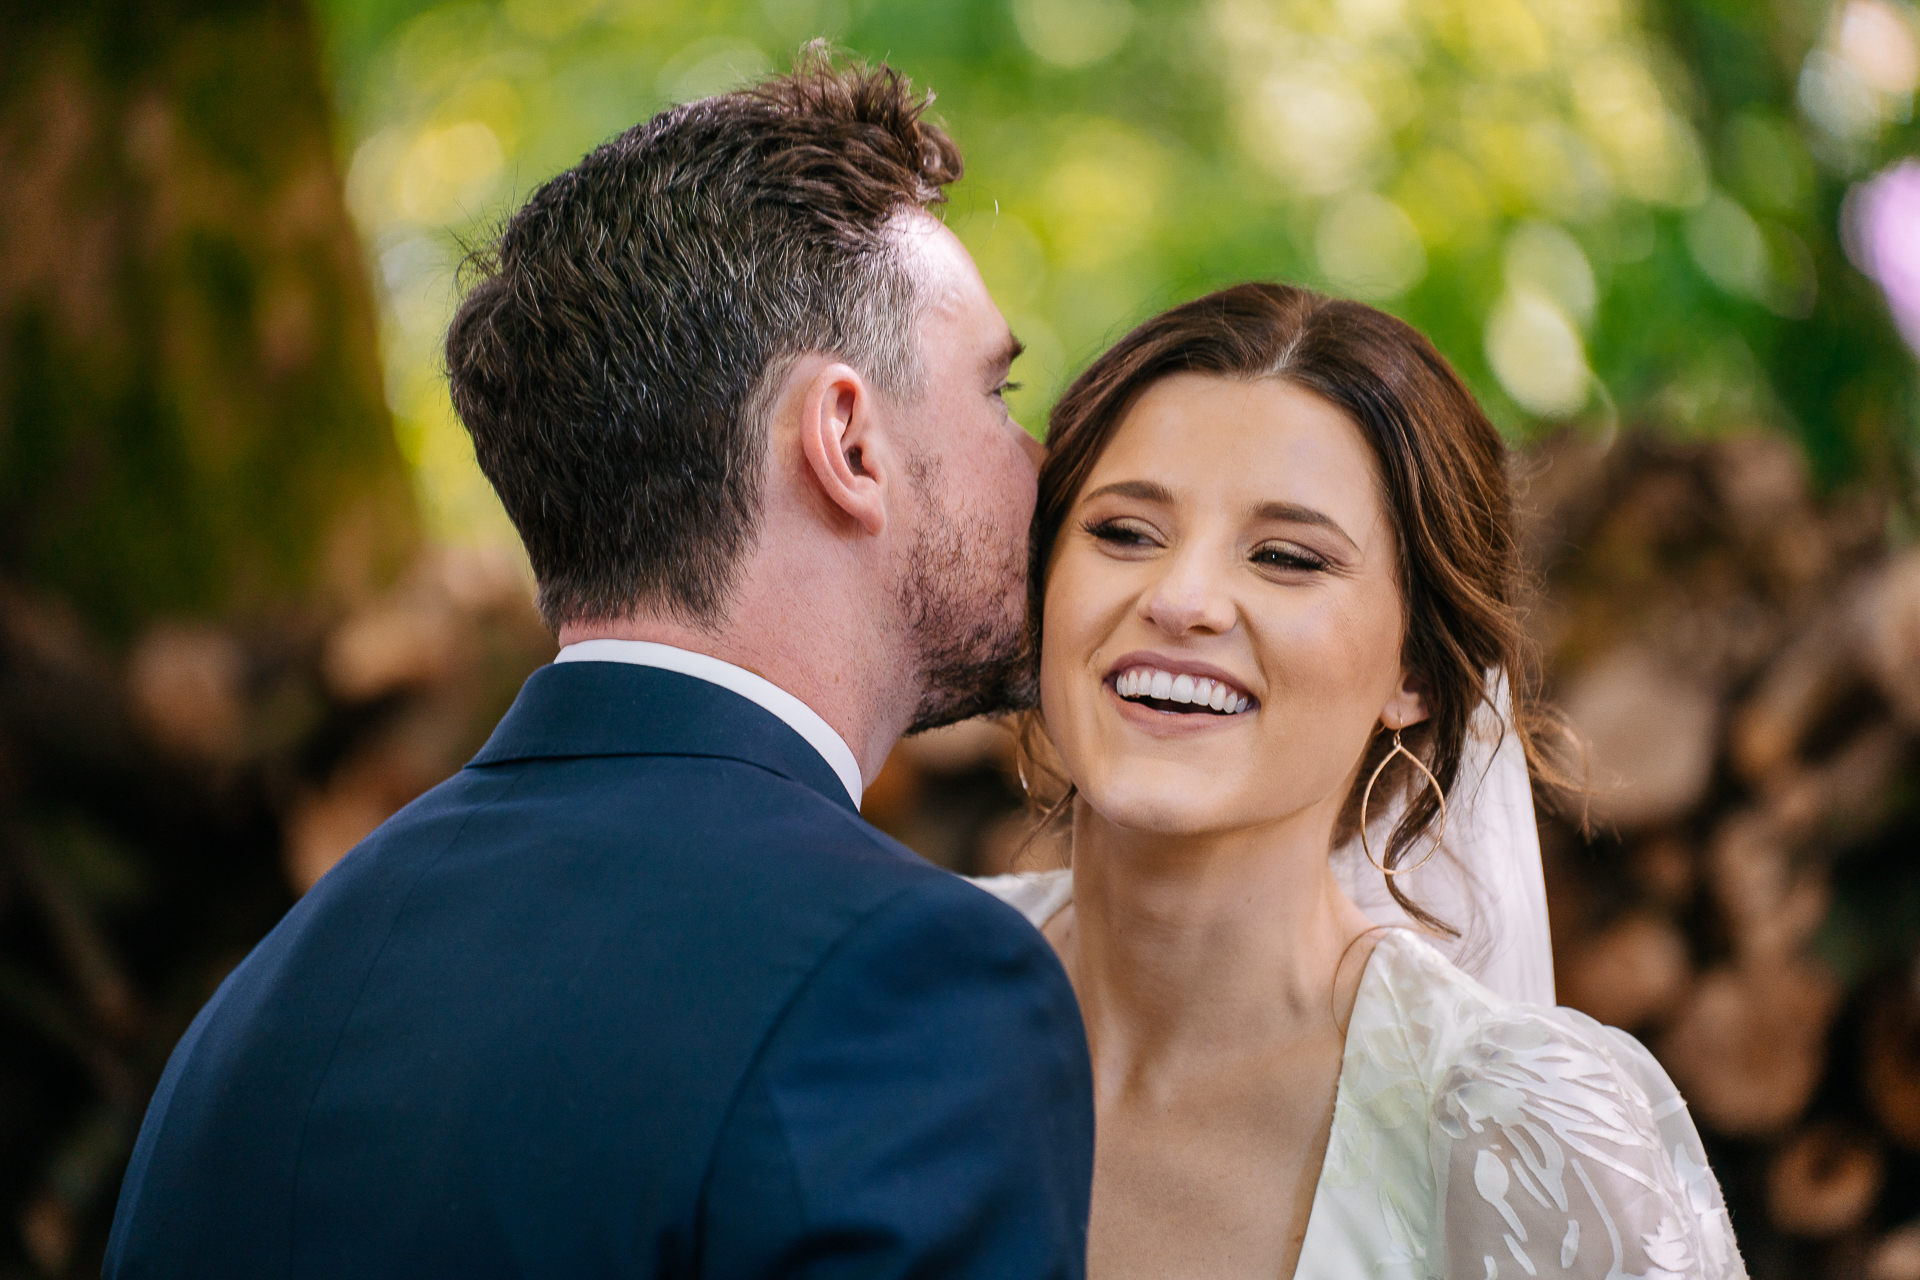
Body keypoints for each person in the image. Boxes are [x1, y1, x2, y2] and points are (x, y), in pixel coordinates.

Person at [105, 54, 1095, 1278]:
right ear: (847, 440)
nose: (1043, 462)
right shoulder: (908, 977)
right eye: (997, 393)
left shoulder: (270, 999)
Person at [977, 282, 1746, 1279]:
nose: (1181, 597)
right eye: (1125, 532)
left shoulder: (1520, 1128)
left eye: (1287, 556)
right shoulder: (878, 985)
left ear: (1416, 671)